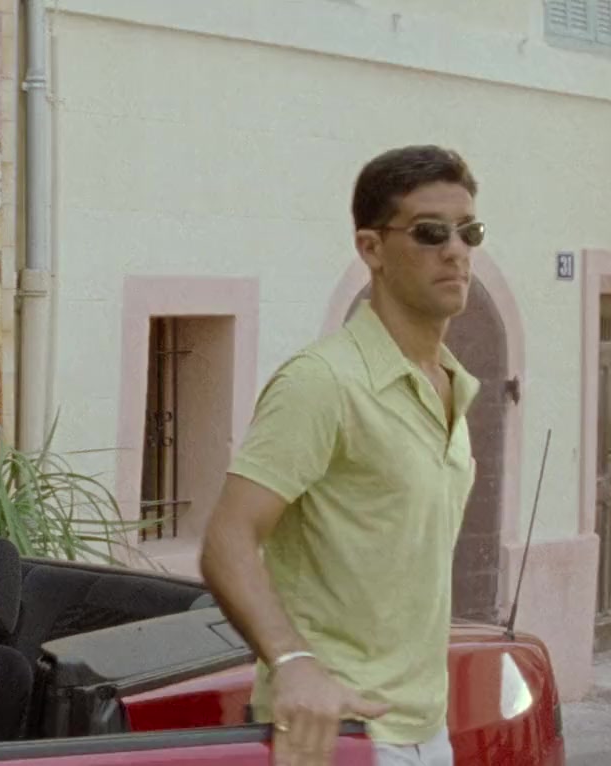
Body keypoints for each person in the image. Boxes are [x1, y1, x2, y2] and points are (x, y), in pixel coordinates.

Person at [199, 144, 483, 766]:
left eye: (469, 231)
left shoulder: (452, 385)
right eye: (430, 232)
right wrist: (293, 662)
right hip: (333, 736)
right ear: (371, 248)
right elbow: (228, 538)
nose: (456, 250)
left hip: (425, 731)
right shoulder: (322, 382)